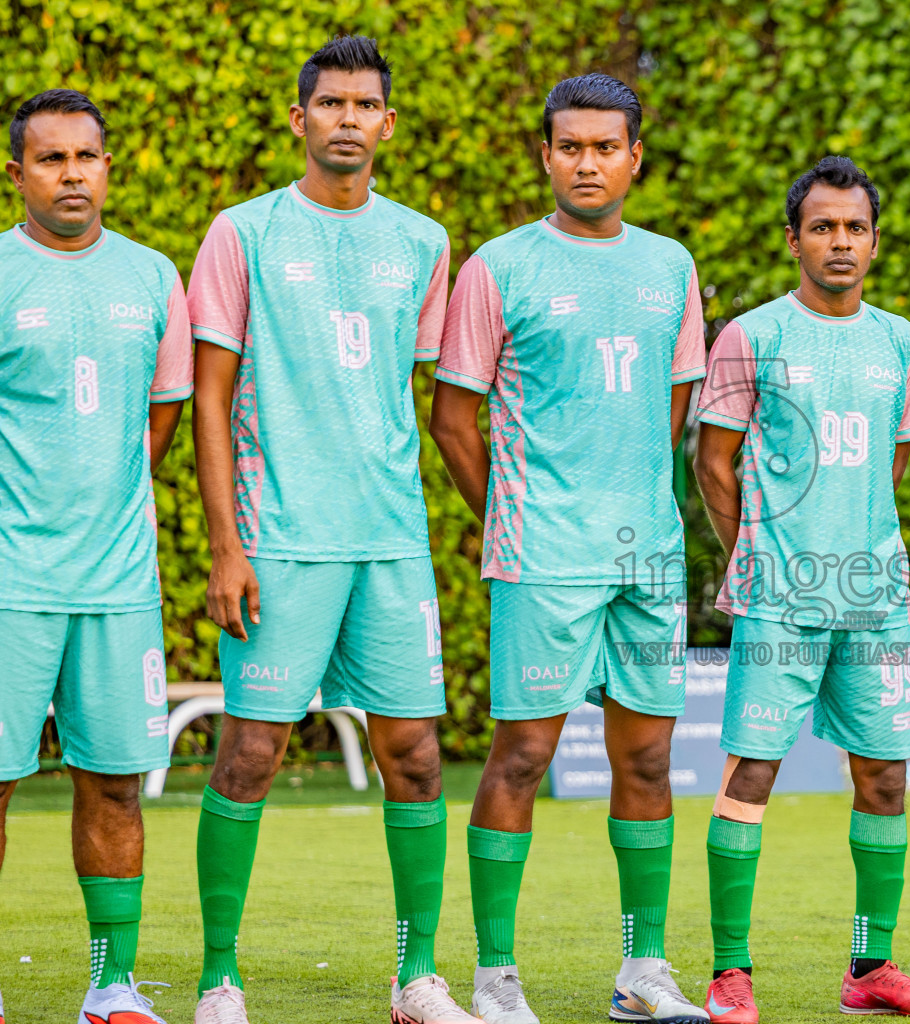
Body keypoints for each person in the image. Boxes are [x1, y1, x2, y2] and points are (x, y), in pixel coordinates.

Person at [185, 35, 473, 1024]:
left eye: (366, 105)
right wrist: (227, 546)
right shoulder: (243, 233)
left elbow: (424, 397)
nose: (348, 118)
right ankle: (220, 977)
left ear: (387, 125)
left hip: (390, 542)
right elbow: (209, 399)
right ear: (300, 118)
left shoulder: (425, 243)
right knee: (250, 752)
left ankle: (419, 976)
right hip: (280, 540)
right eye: (331, 103)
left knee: (420, 757)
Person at [430, 73, 707, 1024]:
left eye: (605, 146)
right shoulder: (498, 266)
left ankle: (645, 971)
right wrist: (511, 511)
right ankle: (496, 977)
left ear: (635, 156)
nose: (587, 162)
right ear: (545, 156)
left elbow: (675, 403)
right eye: (570, 147)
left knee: (648, 760)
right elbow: (454, 417)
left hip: (647, 552)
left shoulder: (671, 265)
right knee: (521, 756)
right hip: (541, 550)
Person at [692, 155, 910, 1023]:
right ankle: (731, 973)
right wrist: (758, 557)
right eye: (823, 227)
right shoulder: (751, 334)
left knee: (884, 777)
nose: (839, 242)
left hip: (876, 594)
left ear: (874, 242)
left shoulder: (901, 341)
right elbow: (713, 461)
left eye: (854, 228)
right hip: (779, 595)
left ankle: (871, 970)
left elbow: (894, 462)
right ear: (793, 238)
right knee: (752, 774)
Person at [0, 88, 192, 1024]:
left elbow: (160, 418)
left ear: (107, 166)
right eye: (51, 159)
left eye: (87, 157)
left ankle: (111, 988)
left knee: (115, 781)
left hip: (119, 587)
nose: (72, 174)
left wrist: (103, 503)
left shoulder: (154, 277)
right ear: (18, 173)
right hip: (9, 584)